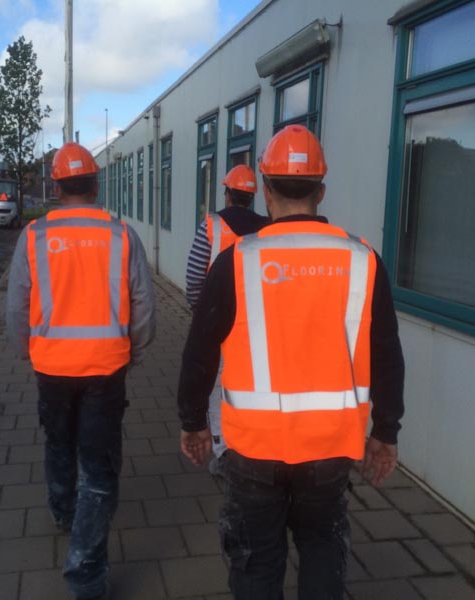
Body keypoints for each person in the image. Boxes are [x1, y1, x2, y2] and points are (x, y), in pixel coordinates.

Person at [177, 124, 405, 600]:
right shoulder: (364, 260)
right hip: (330, 447)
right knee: (322, 546)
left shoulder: (236, 261)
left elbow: (200, 351)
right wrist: (385, 432)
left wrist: (193, 422)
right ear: (321, 191)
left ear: (265, 189)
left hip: (253, 449)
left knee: (257, 562)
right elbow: (386, 352)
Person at [6, 141, 156, 600]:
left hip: (51, 367)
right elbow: (144, 306)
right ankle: (87, 575)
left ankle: (63, 511)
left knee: (58, 441)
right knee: (98, 464)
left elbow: (17, 306)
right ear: (95, 184)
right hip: (106, 369)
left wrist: (29, 351)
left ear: (56, 187)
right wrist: (133, 351)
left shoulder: (34, 236)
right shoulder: (121, 235)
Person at [185, 164, 269, 473]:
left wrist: (201, 315)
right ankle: (254, 442)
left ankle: (223, 453)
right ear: (253, 196)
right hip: (257, 321)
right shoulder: (268, 227)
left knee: (217, 386)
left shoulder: (211, 225)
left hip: (219, 320)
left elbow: (194, 278)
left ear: (227, 193)